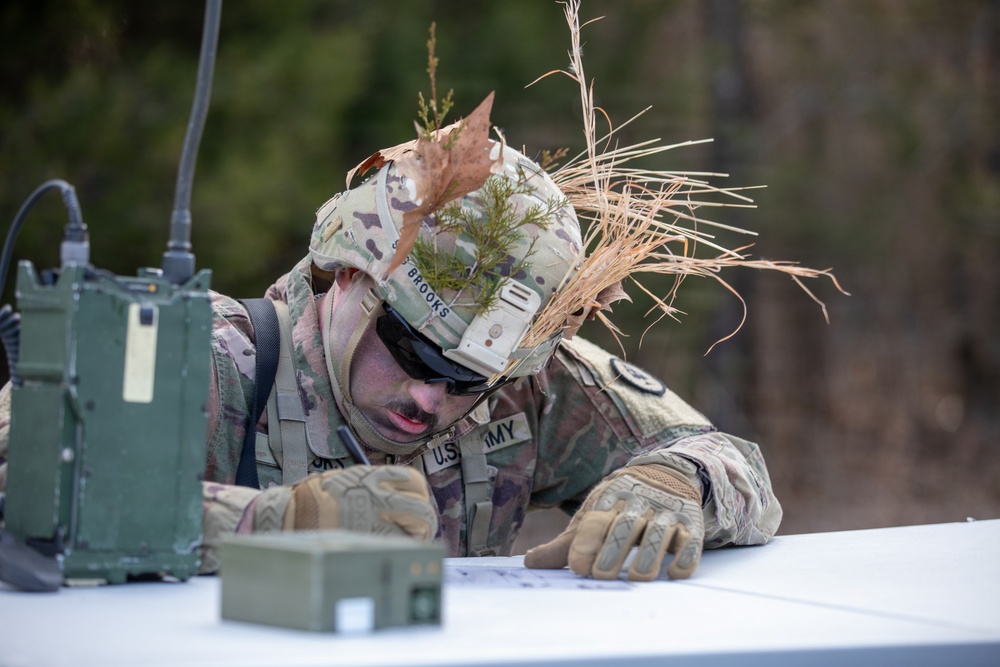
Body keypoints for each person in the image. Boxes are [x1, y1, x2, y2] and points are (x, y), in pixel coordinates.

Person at [189, 137, 786, 581]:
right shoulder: (210, 363)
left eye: (467, 379)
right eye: (411, 352)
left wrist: (673, 481)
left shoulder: (527, 384)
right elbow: (95, 504)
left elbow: (727, 460)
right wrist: (276, 523)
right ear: (349, 274)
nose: (430, 399)